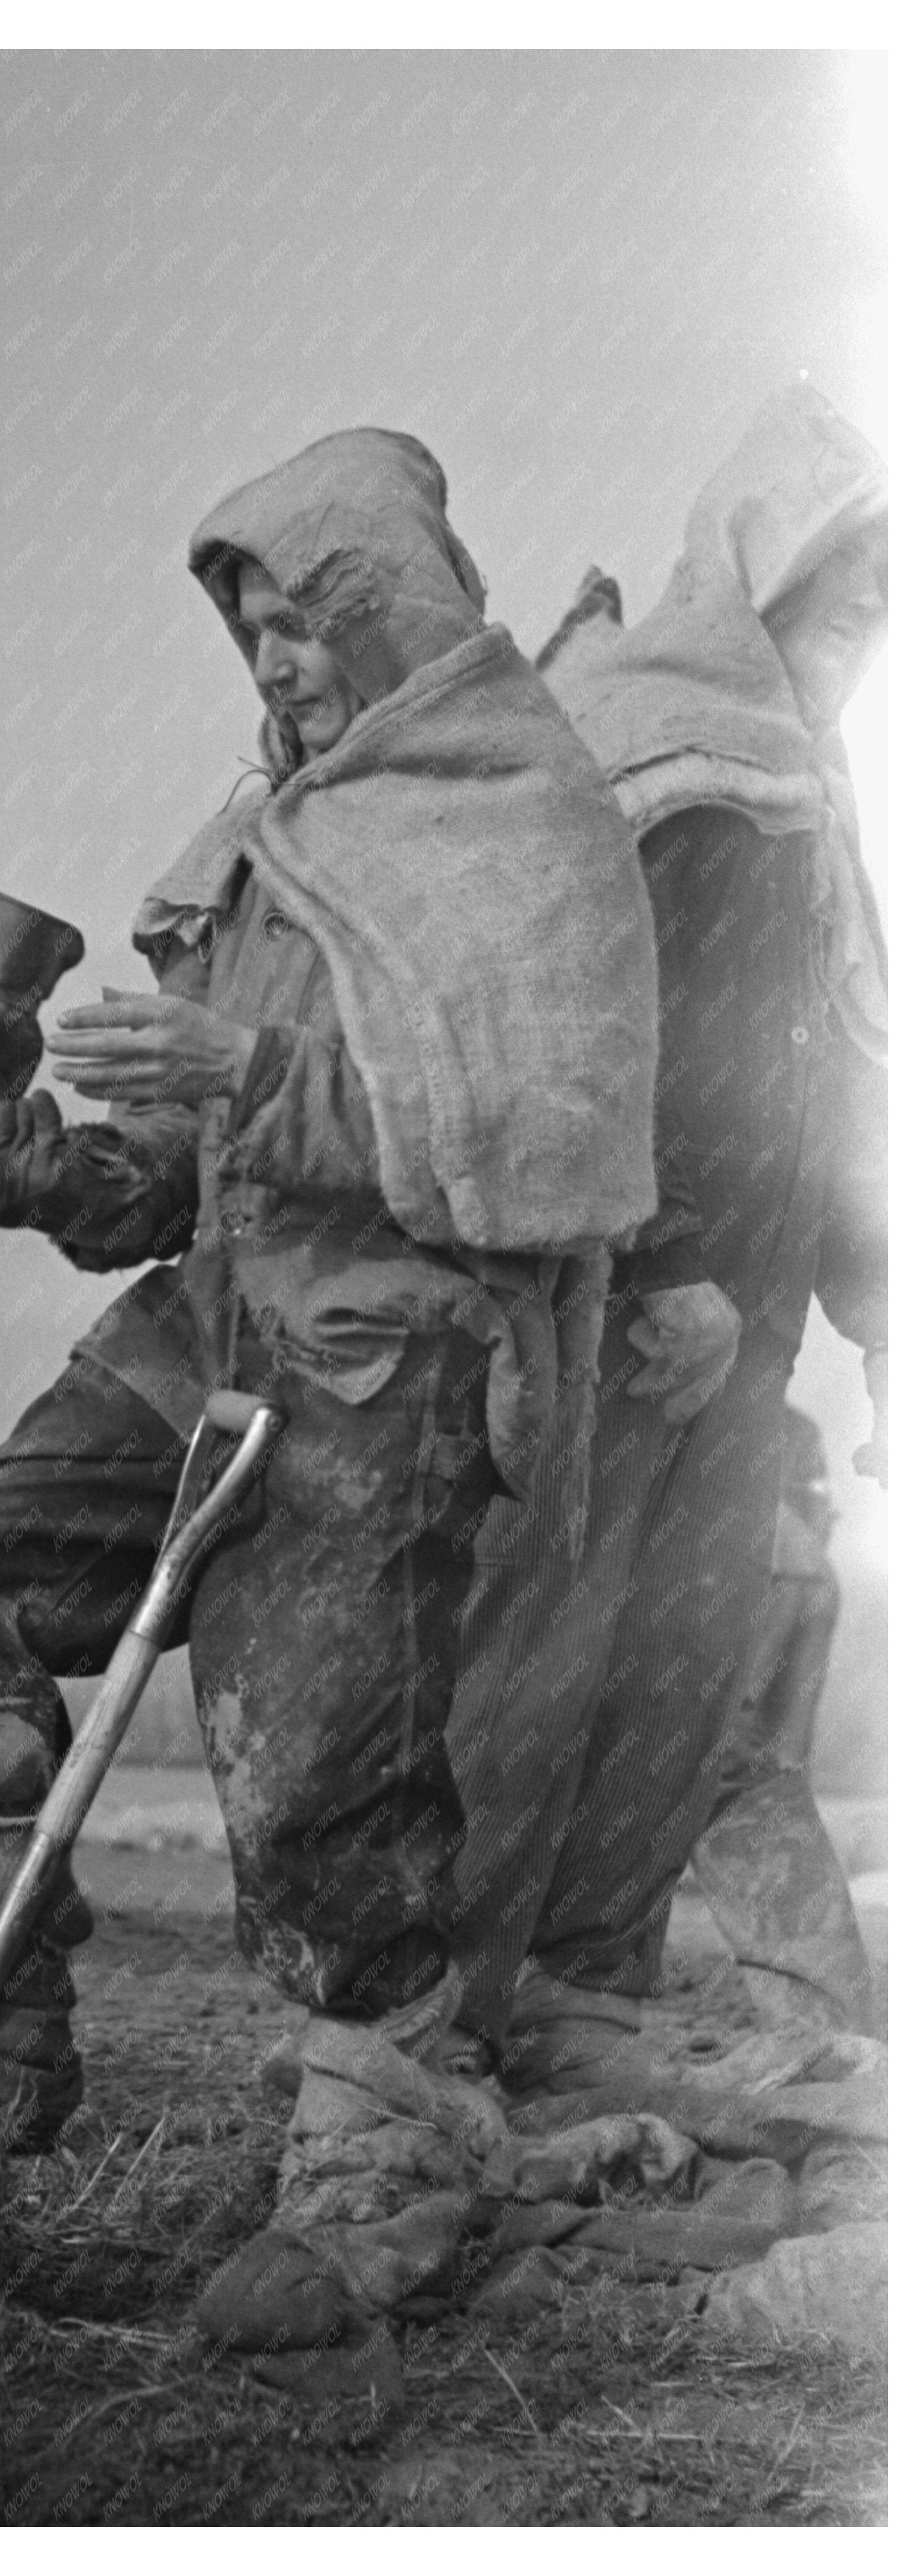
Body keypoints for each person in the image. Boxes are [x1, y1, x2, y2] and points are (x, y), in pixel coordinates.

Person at [0, 428, 659, 2388]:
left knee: (311, 1761)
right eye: (248, 635)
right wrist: (19, 1145)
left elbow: (548, 1149)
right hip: (210, 1327)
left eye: (302, 626)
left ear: (388, 610)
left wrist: (246, 1071)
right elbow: (177, 1179)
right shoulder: (268, 834)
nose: (273, 666)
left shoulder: (528, 827)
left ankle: (383, 2155)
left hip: (391, 1355)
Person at [441, 384, 887, 2094]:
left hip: (742, 1332)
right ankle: (434, 2030)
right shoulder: (654, 751)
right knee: (538, 1664)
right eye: (840, 575)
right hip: (625, 1305)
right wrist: (671, 1258)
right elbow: (611, 1030)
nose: (864, 611)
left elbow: (835, 1088)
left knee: (677, 1677)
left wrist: (877, 1326)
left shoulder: (813, 803)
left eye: (882, 585)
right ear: (760, 572)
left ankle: (584, 2013)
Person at [691, 1403, 876, 2034]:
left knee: (737, 1755)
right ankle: (825, 2014)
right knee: (760, 1765)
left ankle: (821, 2018)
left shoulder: (768, 1426)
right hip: (791, 1569)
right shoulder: (788, 1426)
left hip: (769, 1571)